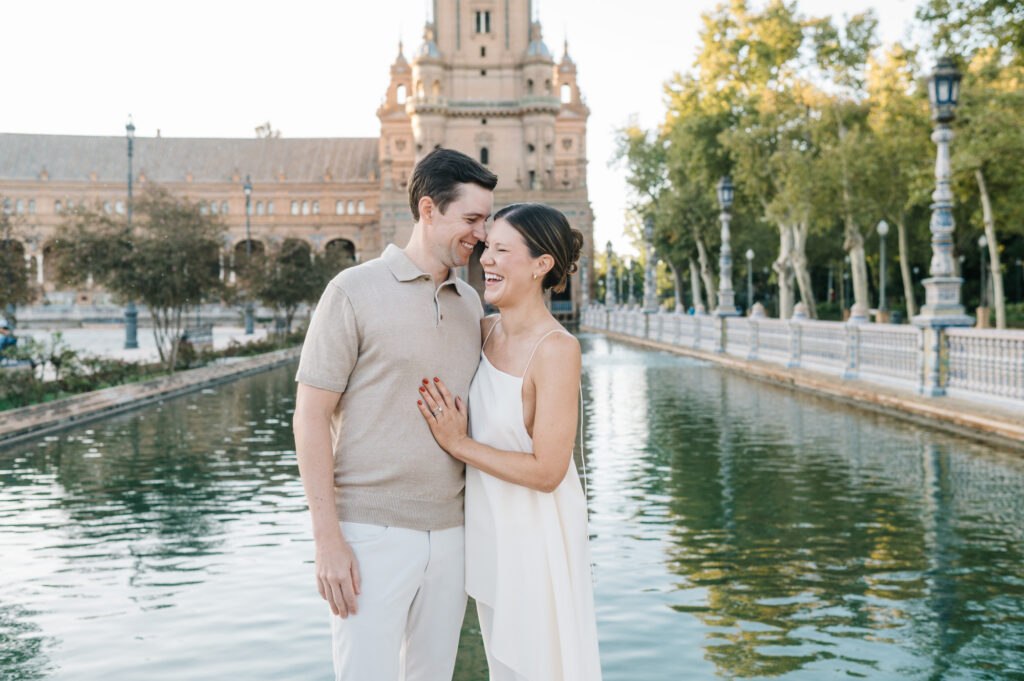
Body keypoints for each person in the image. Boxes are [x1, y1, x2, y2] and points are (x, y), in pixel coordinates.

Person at [292, 147, 497, 681]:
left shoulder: (470, 304)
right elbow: (310, 416)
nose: (482, 233)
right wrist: (327, 540)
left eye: (486, 220)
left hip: (452, 534)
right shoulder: (351, 291)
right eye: (471, 219)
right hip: (368, 533)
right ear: (428, 210)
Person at [416, 203, 602, 681]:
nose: (486, 260)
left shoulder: (558, 350)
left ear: (541, 265)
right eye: (486, 248)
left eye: (502, 250)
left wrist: (460, 445)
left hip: (538, 536)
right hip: (491, 533)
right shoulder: (482, 330)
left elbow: (548, 471)